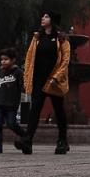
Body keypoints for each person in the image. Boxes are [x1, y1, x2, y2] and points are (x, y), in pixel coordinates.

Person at [16, 11, 71, 155]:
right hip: (39, 79)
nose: (42, 18)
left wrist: (56, 78)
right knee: (35, 110)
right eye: (43, 16)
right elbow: (29, 58)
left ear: (52, 20)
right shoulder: (37, 37)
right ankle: (27, 141)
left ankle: (62, 141)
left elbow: (65, 61)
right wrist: (27, 77)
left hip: (54, 80)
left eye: (46, 16)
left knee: (59, 111)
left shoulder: (62, 39)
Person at [0, 48, 26, 153]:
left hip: (11, 104)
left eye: (6, 59)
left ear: (13, 60)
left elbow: (22, 86)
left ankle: (24, 135)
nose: (3, 61)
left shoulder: (18, 73)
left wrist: (26, 87)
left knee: (11, 123)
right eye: (2, 59)